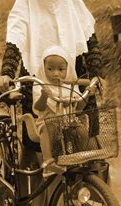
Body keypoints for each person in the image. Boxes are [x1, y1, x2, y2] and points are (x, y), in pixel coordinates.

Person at [0, 0, 102, 206]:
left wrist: (97, 74)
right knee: (46, 145)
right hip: (38, 85)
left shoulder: (73, 3)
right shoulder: (24, 9)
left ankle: (86, 197)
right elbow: (15, 43)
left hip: (73, 85)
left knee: (86, 139)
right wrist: (7, 72)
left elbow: (90, 43)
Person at [32, 45, 91, 177]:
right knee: (45, 129)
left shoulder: (70, 86)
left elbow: (79, 108)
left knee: (81, 127)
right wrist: (44, 96)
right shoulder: (41, 85)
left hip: (67, 121)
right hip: (47, 122)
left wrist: (87, 95)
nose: (55, 73)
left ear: (67, 69)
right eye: (50, 69)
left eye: (60, 69)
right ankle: (48, 162)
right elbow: (38, 108)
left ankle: (81, 156)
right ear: (43, 69)